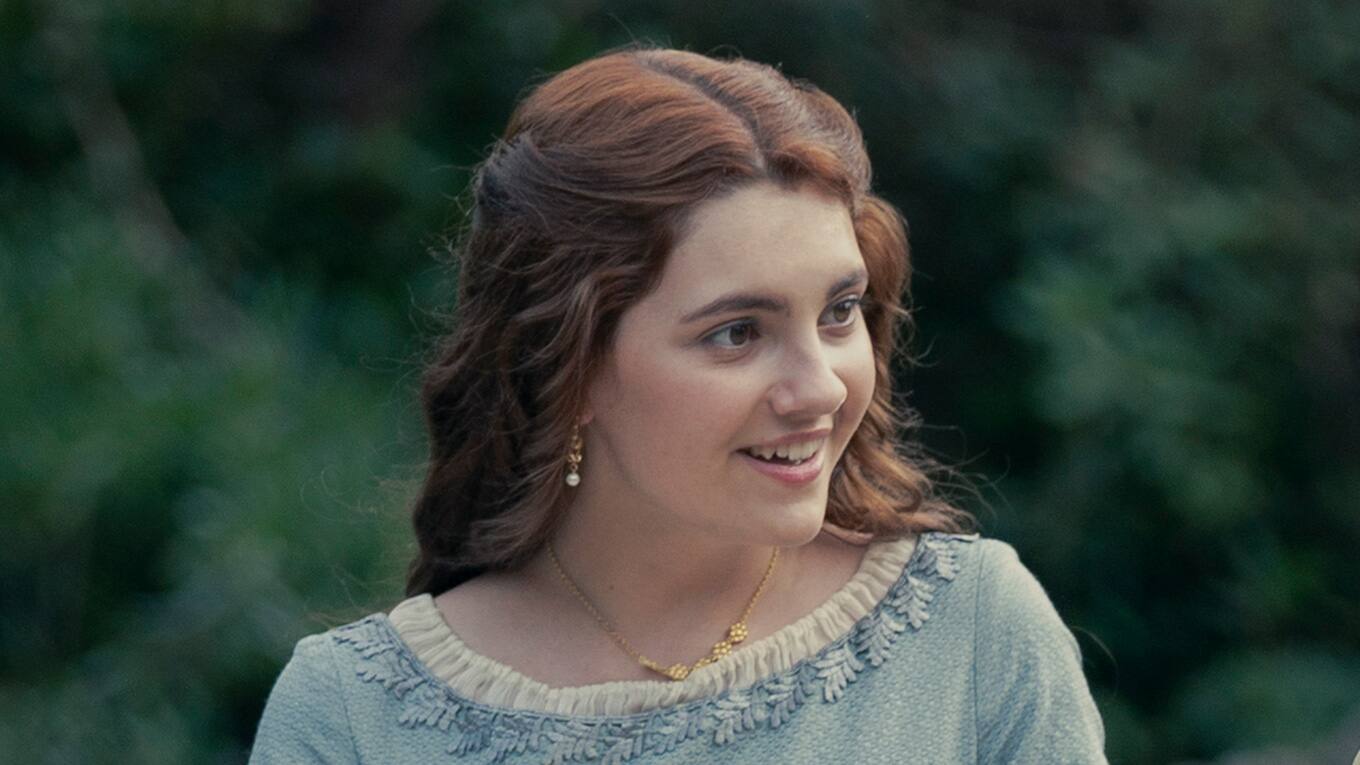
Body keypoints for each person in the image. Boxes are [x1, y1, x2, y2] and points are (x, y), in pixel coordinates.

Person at [249, 46, 1107, 764]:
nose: (820, 387)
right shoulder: (353, 716)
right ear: (570, 363)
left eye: (839, 311)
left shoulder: (972, 637)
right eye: (737, 333)